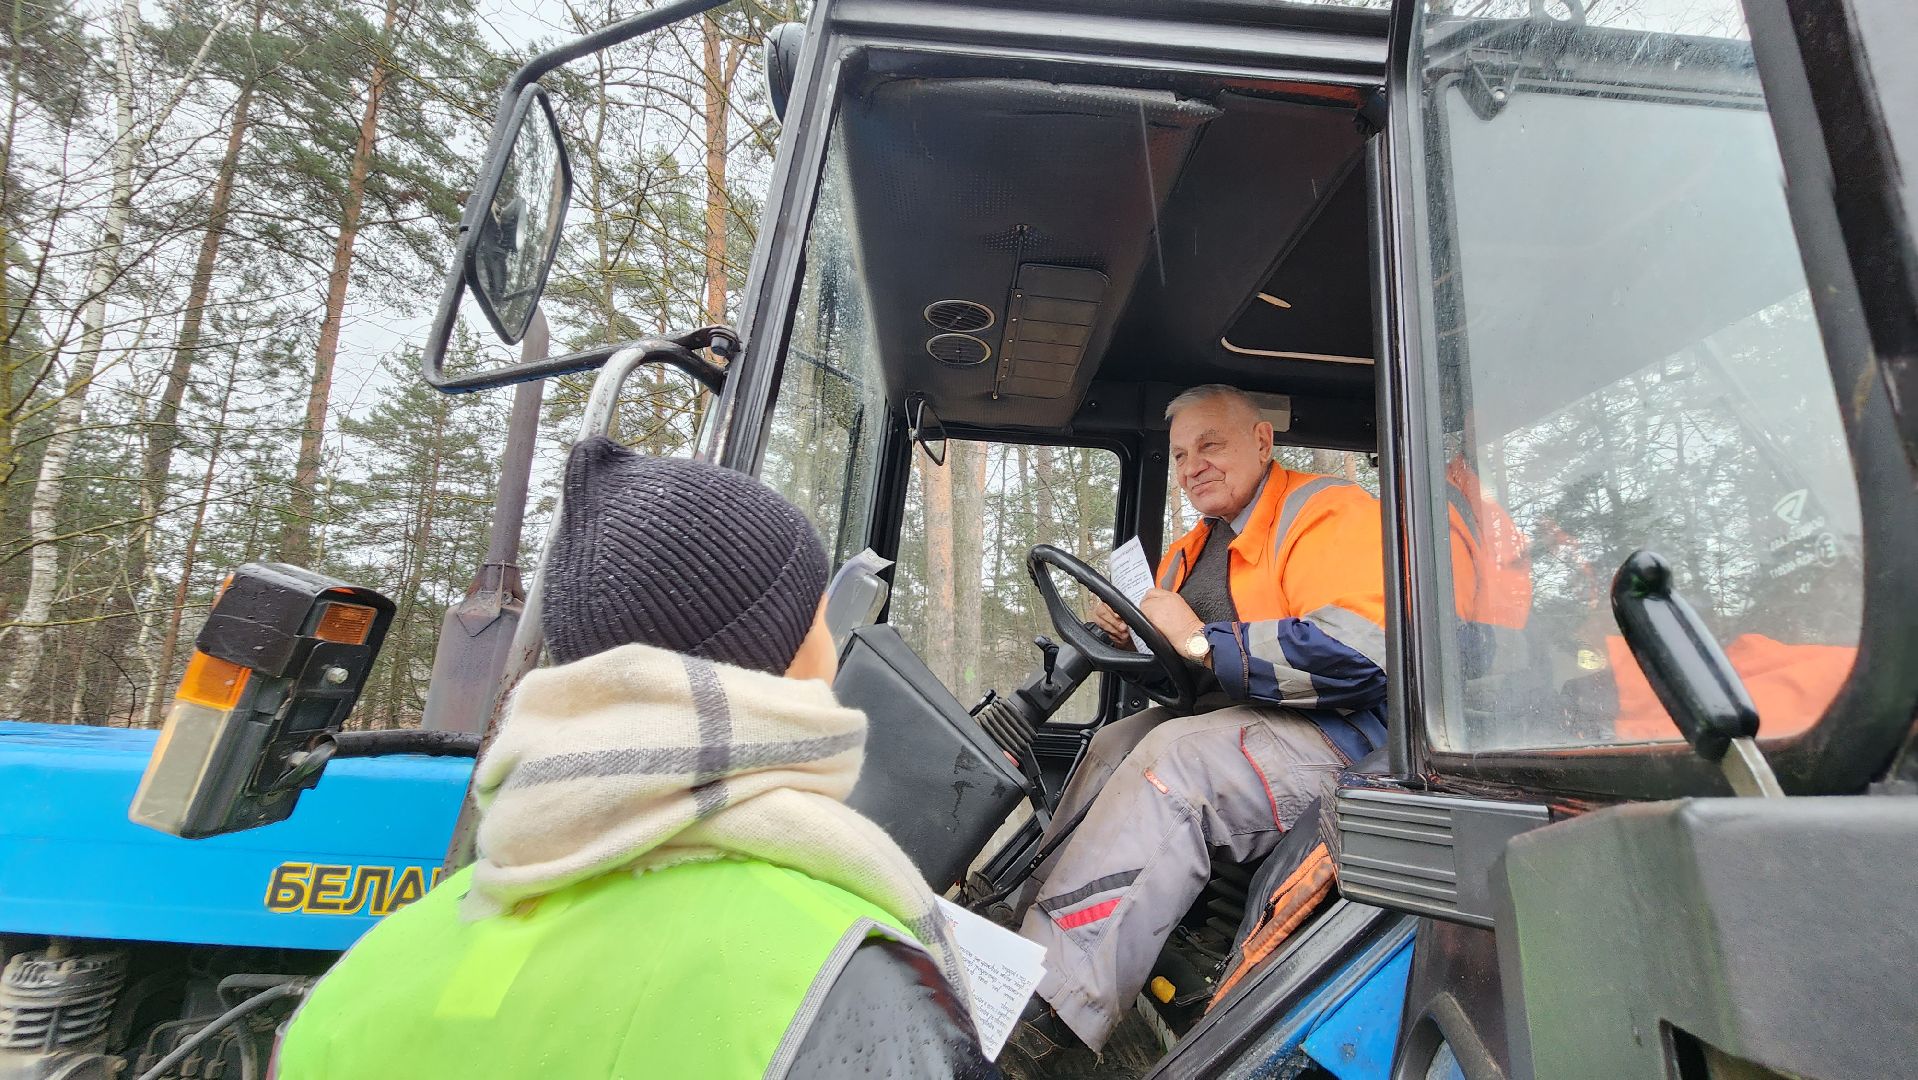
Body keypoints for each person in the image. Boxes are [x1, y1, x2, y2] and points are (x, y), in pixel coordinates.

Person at [274, 436, 998, 1079]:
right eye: (819, 616)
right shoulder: (848, 978)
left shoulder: (358, 982)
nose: (834, 645)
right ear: (775, 656)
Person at [1011, 384, 1388, 1057]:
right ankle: (1017, 946)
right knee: (1115, 742)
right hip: (1243, 723)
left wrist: (1198, 639)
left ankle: (1050, 1015)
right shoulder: (1187, 553)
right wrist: (1135, 639)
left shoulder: (1328, 512)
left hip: (1347, 740)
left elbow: (1359, 655)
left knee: (1176, 760)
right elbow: (1185, 678)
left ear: (1262, 442)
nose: (1192, 466)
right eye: (1182, 454)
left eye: (1210, 445)